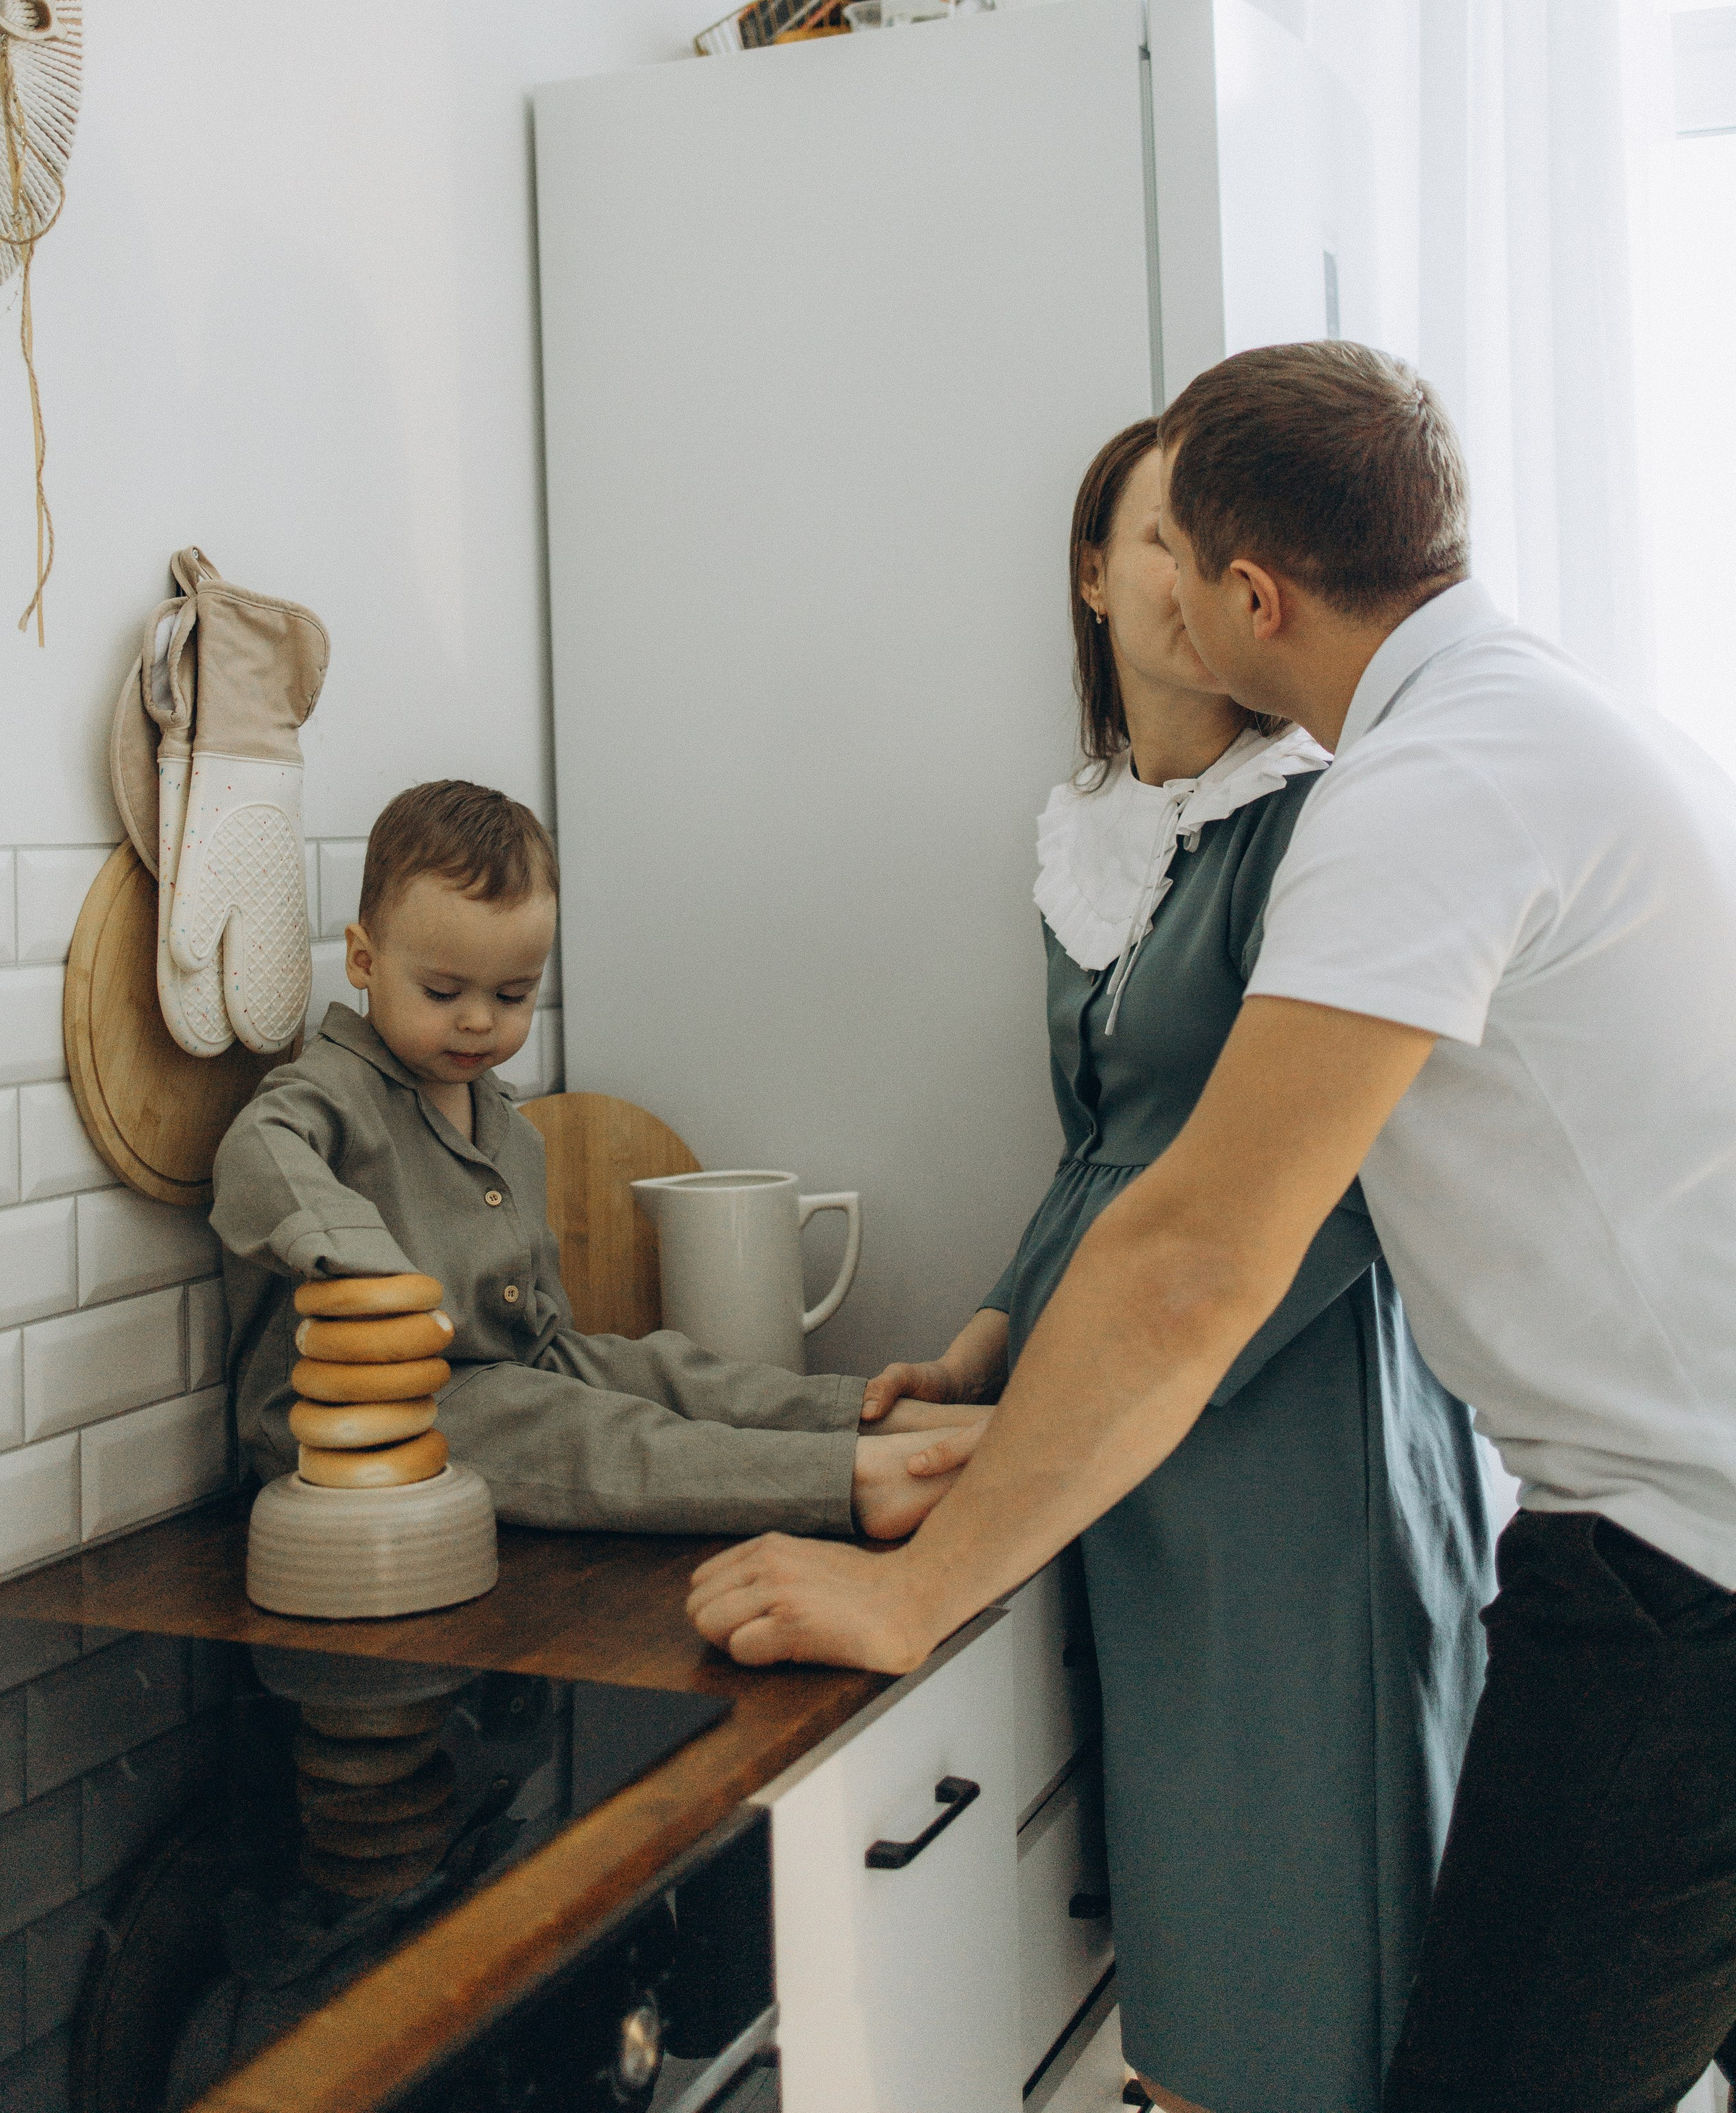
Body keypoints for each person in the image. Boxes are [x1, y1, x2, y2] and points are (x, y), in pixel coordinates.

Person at [688, 343, 1736, 2113]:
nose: (1155, 581)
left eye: (1179, 546)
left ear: (1251, 596)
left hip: (1676, 1571)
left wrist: (917, 1589)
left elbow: (1195, 1258)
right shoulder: (1542, 718)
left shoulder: (1409, 800)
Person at [856, 419, 1492, 2113]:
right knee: (1193, 1919)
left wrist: (1065, 1393)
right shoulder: (1077, 834)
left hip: (1290, 1404)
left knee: (1307, 1895)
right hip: (1118, 1401)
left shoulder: (1318, 818)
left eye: (1203, 543)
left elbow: (1329, 1187)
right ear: (1087, 575)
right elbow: (1097, 1140)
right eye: (1150, 536)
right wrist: (994, 1338)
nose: (1185, 573)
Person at [211, 778, 957, 1540]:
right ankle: (854, 1478)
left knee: (662, 1373)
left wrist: (569, 1353)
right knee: (598, 1435)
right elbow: (255, 1152)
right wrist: (368, 1272)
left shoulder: (501, 1118)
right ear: (364, 960)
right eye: (441, 991)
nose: (477, 1021)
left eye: (512, 995)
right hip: (361, 1419)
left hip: (509, 1375)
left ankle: (892, 1419)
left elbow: (537, 1341)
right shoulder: (327, 1094)